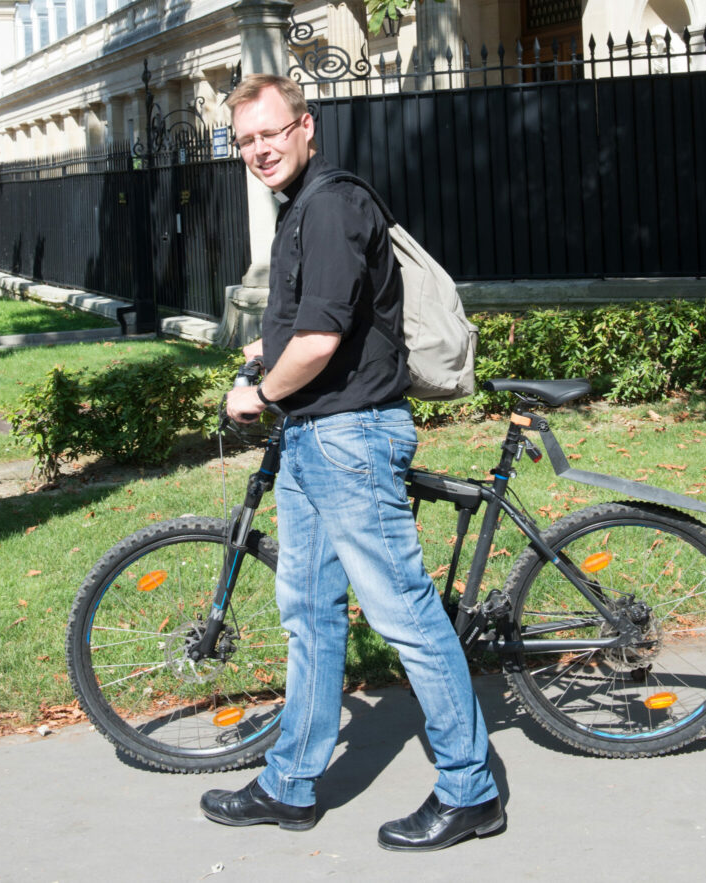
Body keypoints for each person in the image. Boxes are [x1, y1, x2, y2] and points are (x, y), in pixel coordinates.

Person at [200, 74, 502, 852]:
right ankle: (289, 783)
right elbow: (329, 314)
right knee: (308, 612)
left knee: (404, 611)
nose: (260, 149)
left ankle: (470, 789)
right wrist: (272, 346)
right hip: (316, 437)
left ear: (307, 126)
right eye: (246, 140)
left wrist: (259, 392)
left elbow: (323, 342)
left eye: (272, 132)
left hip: (350, 438)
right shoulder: (304, 205)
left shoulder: (330, 204)